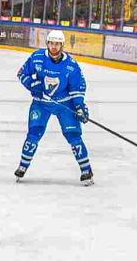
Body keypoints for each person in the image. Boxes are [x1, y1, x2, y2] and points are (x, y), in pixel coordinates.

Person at [15, 30, 93, 185]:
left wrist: (79, 106)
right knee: (33, 134)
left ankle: (86, 170)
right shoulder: (37, 57)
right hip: (41, 103)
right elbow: (22, 73)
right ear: (47, 44)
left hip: (64, 104)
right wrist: (32, 85)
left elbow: (78, 87)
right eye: (51, 43)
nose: (54, 47)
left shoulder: (71, 65)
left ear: (62, 45)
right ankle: (23, 165)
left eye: (57, 44)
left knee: (73, 136)